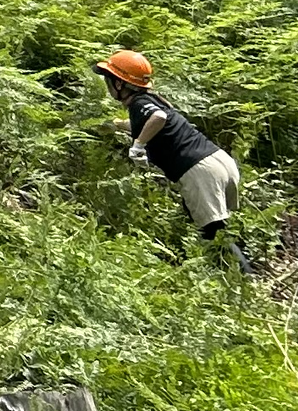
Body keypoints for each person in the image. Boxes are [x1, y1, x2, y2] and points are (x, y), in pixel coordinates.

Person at [96, 50, 245, 262]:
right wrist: (117, 126)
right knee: (219, 227)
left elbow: (158, 118)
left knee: (214, 234)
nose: (107, 85)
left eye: (109, 80)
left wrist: (138, 146)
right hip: (219, 160)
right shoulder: (150, 100)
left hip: (199, 170)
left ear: (120, 84)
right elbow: (151, 122)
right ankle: (238, 269)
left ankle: (245, 280)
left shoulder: (139, 103)